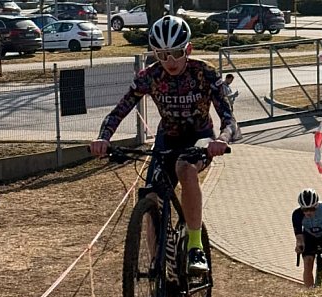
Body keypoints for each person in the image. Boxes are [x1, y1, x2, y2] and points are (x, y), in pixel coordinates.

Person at [89, 15, 234, 274]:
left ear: (188, 49)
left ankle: (194, 246)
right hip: (167, 138)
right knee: (150, 195)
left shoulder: (204, 72)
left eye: (176, 53)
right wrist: (104, 137)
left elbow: (229, 118)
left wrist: (221, 140)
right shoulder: (150, 76)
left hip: (199, 137)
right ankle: (158, 269)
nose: (170, 62)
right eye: (162, 54)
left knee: (185, 169)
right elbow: (120, 109)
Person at [292, 188, 322, 288]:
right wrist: (300, 245)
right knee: (308, 264)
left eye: (312, 209)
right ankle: (310, 293)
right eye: (305, 209)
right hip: (309, 236)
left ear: (317, 205)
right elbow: (299, 236)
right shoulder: (296, 214)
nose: (308, 212)